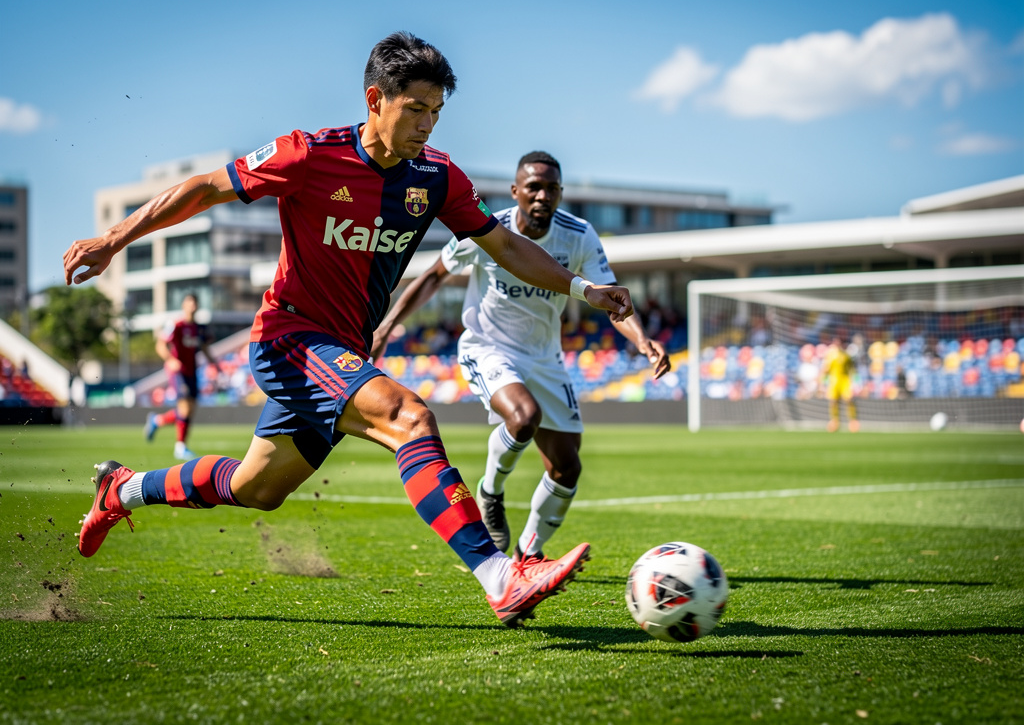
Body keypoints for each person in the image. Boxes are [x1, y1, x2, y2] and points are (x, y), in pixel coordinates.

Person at [62, 32, 635, 628]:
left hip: (343, 353)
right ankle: (500, 576)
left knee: (257, 487)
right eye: (416, 109)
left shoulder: (436, 177)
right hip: (289, 338)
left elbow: (505, 245)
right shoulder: (307, 155)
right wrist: (114, 239)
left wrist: (581, 288)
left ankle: (123, 490)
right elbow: (205, 188)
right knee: (410, 417)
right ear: (375, 100)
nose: (427, 125)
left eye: (437, 113)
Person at [372, 151, 670, 561]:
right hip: (488, 347)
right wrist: (386, 327)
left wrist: (640, 339)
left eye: (551, 188)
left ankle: (529, 554)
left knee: (567, 469)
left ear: (561, 194)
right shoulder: (486, 228)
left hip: (545, 358)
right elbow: (433, 276)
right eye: (533, 187)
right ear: (516, 192)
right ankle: (490, 492)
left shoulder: (579, 236)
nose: (542, 195)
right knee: (523, 417)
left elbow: (612, 298)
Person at [145, 292, 219, 460]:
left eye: (195, 302)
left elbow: (205, 348)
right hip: (177, 371)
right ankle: (180, 447)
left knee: (189, 410)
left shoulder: (199, 328)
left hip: (192, 371)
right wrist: (171, 360)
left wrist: (214, 363)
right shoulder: (175, 324)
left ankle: (157, 421)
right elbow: (161, 344)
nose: (192, 305)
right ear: (184, 305)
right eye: (189, 302)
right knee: (185, 407)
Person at [821, 336, 859, 432]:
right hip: (834, 381)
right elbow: (826, 370)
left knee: (849, 400)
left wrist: (857, 382)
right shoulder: (830, 355)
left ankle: (852, 421)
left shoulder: (846, 355)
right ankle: (834, 421)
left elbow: (852, 370)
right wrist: (823, 383)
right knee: (833, 401)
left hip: (845, 380)